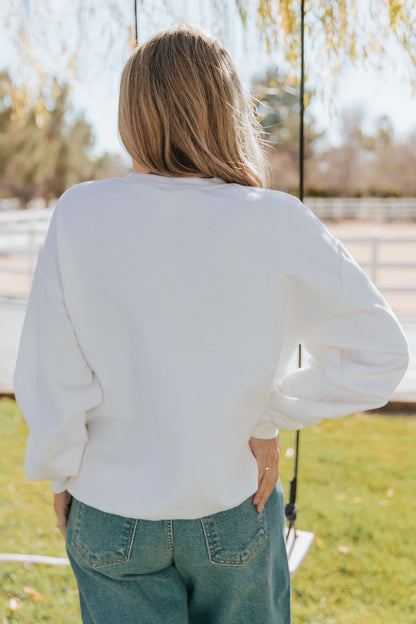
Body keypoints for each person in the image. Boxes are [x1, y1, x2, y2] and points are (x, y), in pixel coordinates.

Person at [13, 22, 408, 624]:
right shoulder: (274, 220)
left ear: (131, 113)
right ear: (227, 111)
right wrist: (268, 414)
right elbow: (379, 354)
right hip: (233, 504)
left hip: (110, 510)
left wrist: (61, 476)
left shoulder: (80, 214)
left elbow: (52, 374)